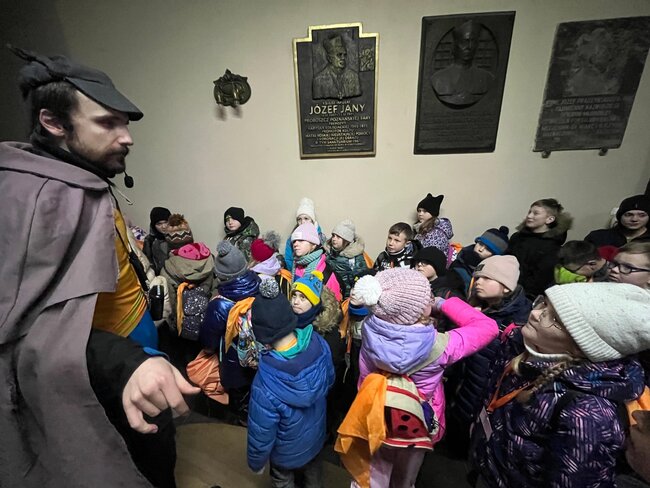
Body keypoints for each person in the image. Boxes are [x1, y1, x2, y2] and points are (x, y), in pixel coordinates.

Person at [1, 47, 199, 487]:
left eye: (125, 123)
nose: (127, 137)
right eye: (107, 123)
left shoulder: (84, 175)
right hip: (107, 374)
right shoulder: (36, 200)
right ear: (53, 123)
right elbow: (27, 331)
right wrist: (122, 365)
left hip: (138, 347)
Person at [469, 282, 650, 488]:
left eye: (555, 319)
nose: (535, 313)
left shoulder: (587, 414)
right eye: (543, 304)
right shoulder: (522, 345)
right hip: (487, 464)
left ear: (583, 346)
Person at [336, 268, 498, 486]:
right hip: (416, 422)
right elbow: (488, 327)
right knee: (405, 479)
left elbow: (364, 378)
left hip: (376, 417)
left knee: (373, 474)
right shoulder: (441, 346)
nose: (431, 297)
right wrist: (443, 304)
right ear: (420, 309)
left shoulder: (369, 330)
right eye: (428, 295)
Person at [247, 279, 335, 486]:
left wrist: (256, 462)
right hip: (315, 439)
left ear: (262, 335)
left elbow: (261, 432)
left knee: (283, 481)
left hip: (285, 455)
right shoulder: (319, 343)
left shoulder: (265, 382)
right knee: (314, 478)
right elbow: (329, 381)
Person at [446, 255, 531, 457]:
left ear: (507, 287)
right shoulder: (477, 306)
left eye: (487, 278)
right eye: (477, 277)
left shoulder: (518, 320)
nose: (478, 282)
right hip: (464, 380)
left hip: (485, 390)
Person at [198, 241, 261, 424]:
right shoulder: (258, 283)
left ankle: (240, 423)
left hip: (234, 361)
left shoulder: (220, 304)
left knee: (238, 397)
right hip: (259, 355)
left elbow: (208, 342)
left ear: (221, 275)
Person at [507, 198, 573, 299]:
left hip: (523, 296)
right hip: (503, 286)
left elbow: (539, 281)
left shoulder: (552, 248)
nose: (529, 216)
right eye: (529, 212)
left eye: (536, 213)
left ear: (549, 219)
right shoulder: (517, 237)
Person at [430, 20, 495, 106]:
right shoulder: (438, 79)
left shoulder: (487, 78)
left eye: (473, 41)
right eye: (464, 41)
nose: (469, 47)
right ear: (454, 45)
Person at [450, 226, 510, 296]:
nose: (480, 249)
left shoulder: (492, 277)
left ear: (494, 255)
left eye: (488, 249)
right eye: (480, 244)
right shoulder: (460, 260)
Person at [290, 222, 342, 300]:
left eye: (301, 240)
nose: (295, 244)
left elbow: (334, 302)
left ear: (313, 245)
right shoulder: (297, 265)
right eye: (294, 241)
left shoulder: (325, 272)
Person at [324, 219, 370, 298]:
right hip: (330, 294)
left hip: (347, 296)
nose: (334, 239)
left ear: (347, 240)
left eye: (338, 237)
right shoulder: (328, 253)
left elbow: (360, 280)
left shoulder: (354, 258)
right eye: (333, 235)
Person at [585, 194, 650, 249]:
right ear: (620, 216)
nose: (634, 219)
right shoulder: (597, 237)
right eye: (628, 215)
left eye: (642, 215)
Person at [312, 34, 362, 100]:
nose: (343, 58)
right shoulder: (319, 81)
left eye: (344, 55)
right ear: (329, 58)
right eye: (339, 55)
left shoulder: (354, 77)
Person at [283, 197, 326, 270]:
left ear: (312, 220)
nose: (303, 222)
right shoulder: (292, 239)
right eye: (299, 219)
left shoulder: (321, 237)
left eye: (306, 218)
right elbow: (289, 260)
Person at [143, 206, 171, 275]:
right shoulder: (150, 240)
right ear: (153, 225)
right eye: (159, 224)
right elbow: (148, 263)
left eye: (166, 222)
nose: (163, 226)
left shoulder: (178, 236)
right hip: (160, 276)